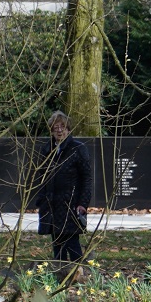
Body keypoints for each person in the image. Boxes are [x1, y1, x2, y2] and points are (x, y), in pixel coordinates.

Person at [37, 111, 90, 271]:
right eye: (55, 127)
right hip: (52, 205)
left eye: (62, 127)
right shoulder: (47, 150)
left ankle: (78, 278)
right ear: (51, 130)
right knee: (57, 245)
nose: (59, 130)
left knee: (72, 244)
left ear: (68, 129)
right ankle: (59, 279)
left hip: (71, 205)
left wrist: (83, 203)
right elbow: (42, 178)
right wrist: (41, 201)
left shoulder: (78, 148)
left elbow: (87, 178)